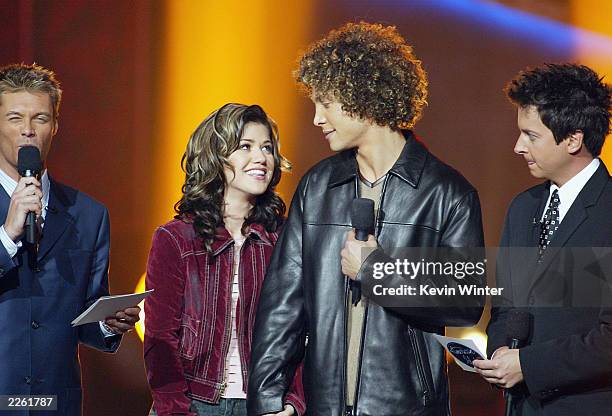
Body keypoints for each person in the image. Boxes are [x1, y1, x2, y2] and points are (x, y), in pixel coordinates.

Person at [248, 22, 485, 416]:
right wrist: (268, 400)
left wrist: (376, 271)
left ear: (364, 96)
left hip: (405, 406)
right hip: (323, 405)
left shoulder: (447, 193)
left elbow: (464, 301)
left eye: (326, 103)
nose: (316, 119)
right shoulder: (317, 187)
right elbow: (283, 306)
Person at [144, 103, 305, 416]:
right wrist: (176, 410)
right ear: (215, 157)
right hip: (192, 403)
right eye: (245, 147)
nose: (261, 158)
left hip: (265, 404)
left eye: (267, 148)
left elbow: (302, 332)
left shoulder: (285, 238)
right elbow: (160, 339)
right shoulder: (175, 238)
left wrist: (293, 403)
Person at [0, 63, 140, 415]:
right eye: (15, 118)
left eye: (41, 119)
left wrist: (109, 324)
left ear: (56, 126)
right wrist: (7, 236)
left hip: (56, 403)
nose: (28, 131)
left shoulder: (88, 214)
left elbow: (85, 315)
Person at [474, 63, 612, 415]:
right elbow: (504, 305)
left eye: (531, 135)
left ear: (573, 139)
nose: (518, 146)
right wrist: (501, 351)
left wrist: (529, 365)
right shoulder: (523, 207)